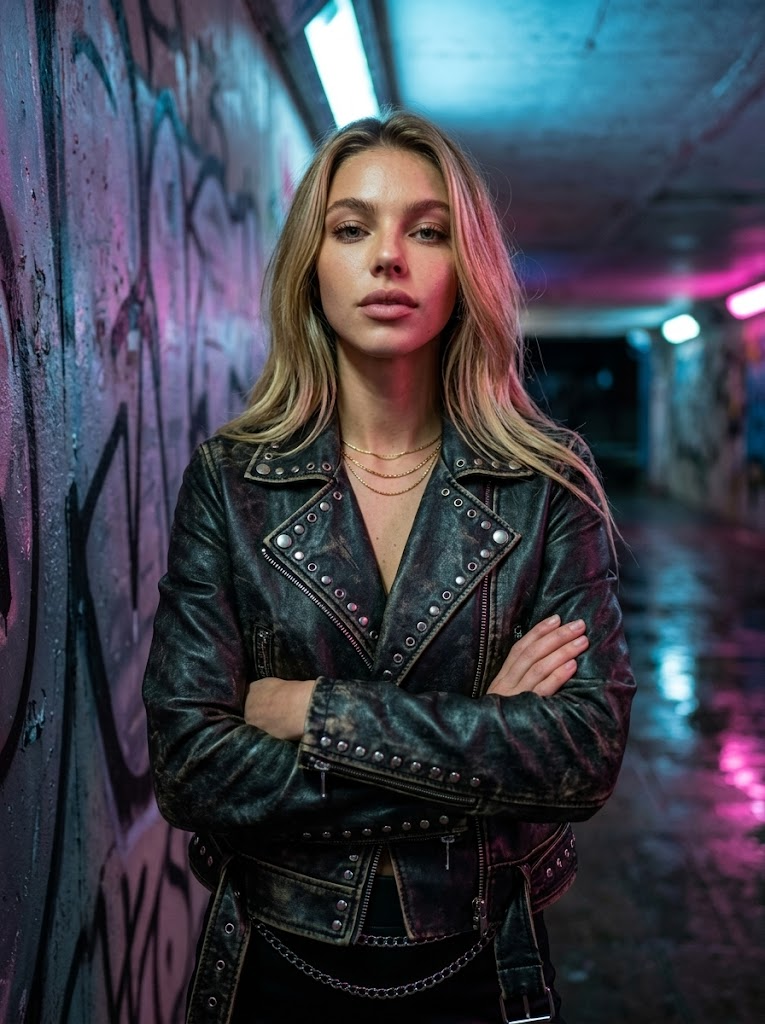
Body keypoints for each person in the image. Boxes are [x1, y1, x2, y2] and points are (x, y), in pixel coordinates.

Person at [142, 110, 635, 1024]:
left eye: (427, 230)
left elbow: (579, 758)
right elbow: (190, 768)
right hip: (270, 967)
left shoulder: (545, 482)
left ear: (466, 270)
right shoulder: (232, 478)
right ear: (311, 264)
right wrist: (486, 731)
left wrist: (313, 713)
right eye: (351, 227)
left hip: (484, 966)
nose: (388, 259)